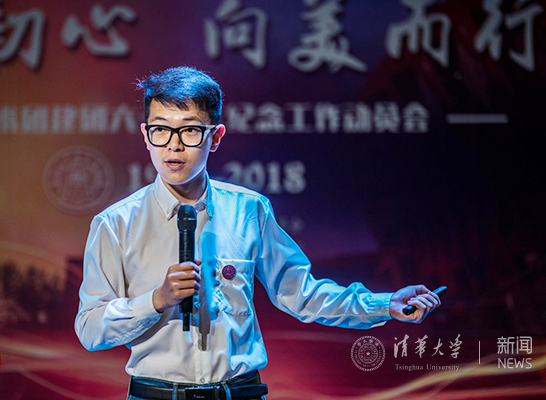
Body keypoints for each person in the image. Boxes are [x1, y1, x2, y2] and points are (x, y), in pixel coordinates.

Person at [75, 66, 441, 400]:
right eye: (160, 129)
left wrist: (384, 303)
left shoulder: (249, 210)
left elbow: (302, 294)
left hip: (240, 393)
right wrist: (156, 299)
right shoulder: (116, 223)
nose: (173, 144)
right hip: (155, 395)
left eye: (189, 130)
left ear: (215, 137)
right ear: (145, 135)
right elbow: (90, 329)